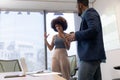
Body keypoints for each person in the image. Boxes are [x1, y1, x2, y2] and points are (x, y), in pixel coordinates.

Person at [67, 0, 106, 80]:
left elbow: (93, 30)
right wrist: (75, 36)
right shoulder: (89, 14)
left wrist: (76, 35)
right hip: (93, 56)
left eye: (76, 6)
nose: (76, 8)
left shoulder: (89, 13)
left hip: (89, 56)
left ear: (80, 5)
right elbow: (91, 32)